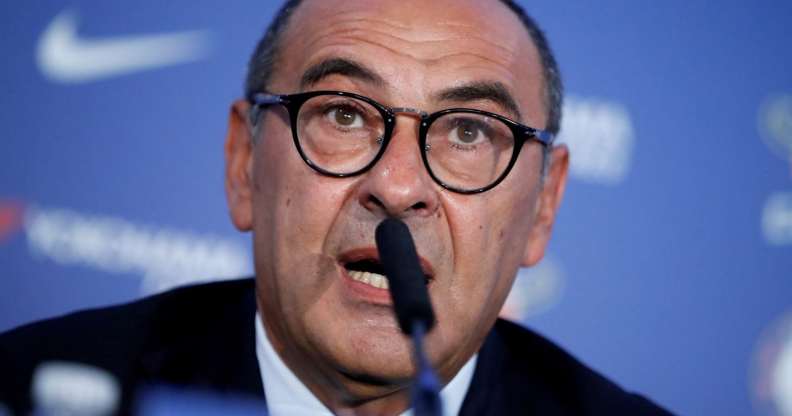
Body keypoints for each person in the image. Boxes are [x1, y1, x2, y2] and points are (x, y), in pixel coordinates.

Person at [1, 0, 672, 414]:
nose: (400, 185)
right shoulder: (34, 388)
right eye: (345, 115)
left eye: (469, 130)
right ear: (244, 163)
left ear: (545, 205)